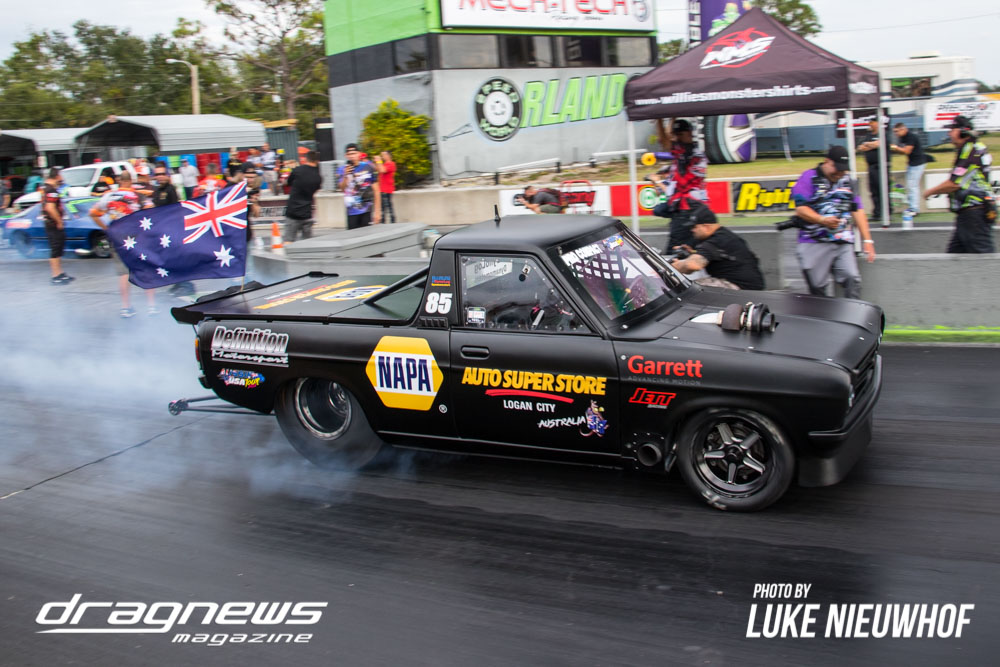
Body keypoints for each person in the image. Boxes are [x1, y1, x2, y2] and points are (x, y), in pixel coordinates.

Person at [791, 146, 876, 299]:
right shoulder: (808, 177)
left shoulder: (848, 181)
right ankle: (822, 311)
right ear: (827, 161)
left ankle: (853, 311)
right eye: (837, 168)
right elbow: (801, 209)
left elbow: (857, 210)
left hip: (842, 240)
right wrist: (822, 220)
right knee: (817, 285)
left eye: (843, 170)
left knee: (852, 277)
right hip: (813, 240)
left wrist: (868, 240)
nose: (840, 173)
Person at [921, 115, 995, 253]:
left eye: (952, 130)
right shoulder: (973, 148)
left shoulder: (971, 152)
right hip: (968, 214)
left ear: (963, 132)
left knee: (984, 258)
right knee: (954, 257)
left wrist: (929, 192)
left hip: (974, 213)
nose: (949, 133)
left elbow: (954, 184)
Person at [89, 172, 155, 317]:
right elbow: (152, 211)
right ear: (131, 181)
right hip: (138, 237)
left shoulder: (109, 196)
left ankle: (125, 307)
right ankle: (151, 306)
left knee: (124, 273)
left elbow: (92, 213)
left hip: (118, 237)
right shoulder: (138, 196)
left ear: (120, 181)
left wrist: (106, 228)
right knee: (145, 269)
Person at [648, 118, 709, 251]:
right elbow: (664, 141)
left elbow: (665, 142)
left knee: (674, 251)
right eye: (676, 135)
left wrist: (658, 181)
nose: (677, 138)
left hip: (689, 208)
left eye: (680, 134)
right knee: (691, 250)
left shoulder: (693, 155)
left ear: (690, 133)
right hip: (684, 208)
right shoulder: (681, 151)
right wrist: (664, 120)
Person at [668, 206, 765, 291]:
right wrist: (692, 253)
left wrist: (674, 267)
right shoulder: (724, 235)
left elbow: (692, 265)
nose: (692, 230)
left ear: (706, 227)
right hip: (751, 285)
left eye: (694, 227)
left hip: (741, 288)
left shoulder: (715, 241)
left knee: (688, 289)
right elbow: (715, 255)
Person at [337, 143, 381, 229]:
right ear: (346, 156)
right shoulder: (342, 169)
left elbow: (376, 190)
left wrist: (377, 212)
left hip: (367, 209)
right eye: (349, 154)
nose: (352, 156)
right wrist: (346, 175)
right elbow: (342, 188)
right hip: (351, 211)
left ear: (359, 154)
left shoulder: (368, 167)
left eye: (354, 153)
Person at [41, 168, 74, 285]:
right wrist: (59, 221)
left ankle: (59, 273)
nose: (62, 178)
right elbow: (50, 208)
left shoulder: (48, 188)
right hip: (53, 224)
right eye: (61, 175)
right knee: (56, 249)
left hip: (51, 224)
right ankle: (55, 276)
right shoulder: (51, 190)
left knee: (58, 248)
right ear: (57, 176)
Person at [857, 118, 892, 226]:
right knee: (874, 190)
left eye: (872, 123)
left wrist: (868, 144)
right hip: (871, 167)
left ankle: (887, 212)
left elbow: (879, 144)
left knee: (883, 189)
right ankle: (877, 213)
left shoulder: (884, 134)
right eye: (870, 123)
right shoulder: (868, 135)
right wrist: (870, 145)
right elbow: (861, 147)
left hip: (881, 166)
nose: (870, 125)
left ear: (877, 123)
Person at [890, 122, 929, 216]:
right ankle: (912, 207)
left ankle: (914, 208)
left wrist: (895, 148)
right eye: (894, 132)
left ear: (903, 129)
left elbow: (907, 151)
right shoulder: (903, 138)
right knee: (911, 186)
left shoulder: (911, 137)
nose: (896, 134)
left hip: (917, 164)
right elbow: (903, 152)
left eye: (897, 131)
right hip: (912, 164)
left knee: (912, 186)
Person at [285, 150, 323, 241]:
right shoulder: (318, 177)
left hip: (292, 211)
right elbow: (316, 189)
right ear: (317, 161)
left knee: (289, 240)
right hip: (307, 212)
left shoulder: (298, 170)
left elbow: (288, 183)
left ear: (306, 159)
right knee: (307, 243)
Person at [376, 151, 397, 223]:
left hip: (387, 189)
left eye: (383, 155)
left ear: (388, 156)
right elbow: (378, 170)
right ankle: (383, 223)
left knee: (388, 207)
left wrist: (379, 161)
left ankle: (392, 222)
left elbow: (383, 170)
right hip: (382, 189)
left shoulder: (391, 164)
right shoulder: (384, 164)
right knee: (383, 208)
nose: (382, 156)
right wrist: (377, 162)